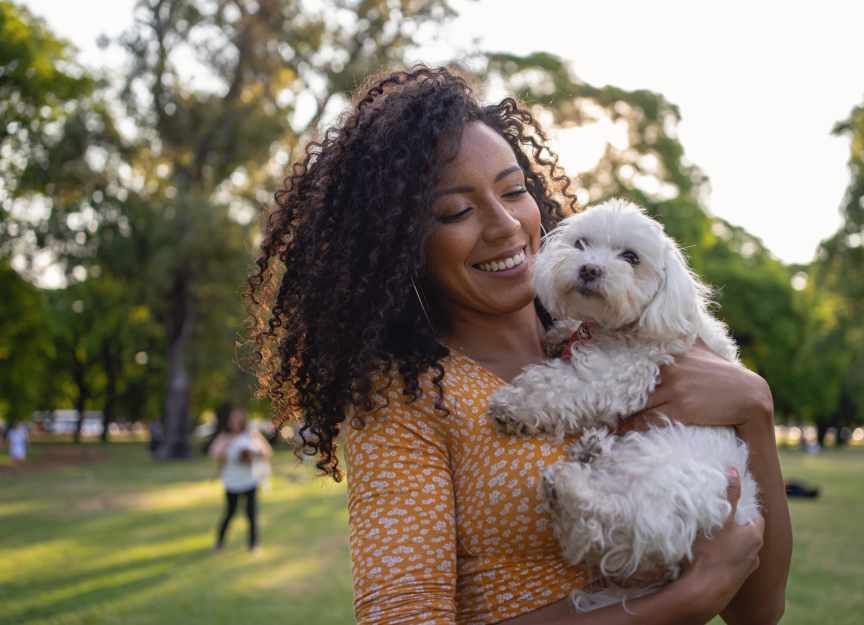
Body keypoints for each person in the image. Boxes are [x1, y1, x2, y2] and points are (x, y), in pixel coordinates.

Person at [246, 66, 792, 624]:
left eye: (514, 190)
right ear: (400, 249)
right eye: (457, 211)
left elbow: (758, 612)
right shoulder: (403, 403)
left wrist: (753, 409)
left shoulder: (626, 344)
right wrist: (685, 600)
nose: (506, 224)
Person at [209, 407, 272, 551]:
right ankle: (219, 543)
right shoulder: (225, 436)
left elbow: (267, 451)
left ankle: (253, 545)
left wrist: (255, 452)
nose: (235, 421)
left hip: (250, 480)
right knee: (230, 513)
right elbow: (214, 453)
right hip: (232, 481)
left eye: (238, 418)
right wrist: (226, 446)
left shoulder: (251, 434)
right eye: (233, 418)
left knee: (251, 515)